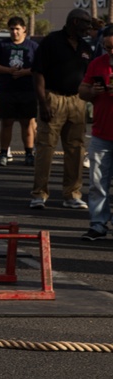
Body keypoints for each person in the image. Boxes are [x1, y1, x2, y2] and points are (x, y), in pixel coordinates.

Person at [29, 8, 94, 210]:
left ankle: (72, 195)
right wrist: (43, 102)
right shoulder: (51, 41)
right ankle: (39, 194)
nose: (88, 28)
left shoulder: (85, 47)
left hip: (77, 100)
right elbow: (37, 72)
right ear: (74, 22)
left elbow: (88, 76)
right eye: (86, 24)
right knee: (46, 147)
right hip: (53, 97)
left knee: (76, 148)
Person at [0, 17, 38, 166]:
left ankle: (29, 153)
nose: (14, 32)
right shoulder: (1, 45)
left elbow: (40, 67)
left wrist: (25, 72)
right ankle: (3, 153)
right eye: (11, 29)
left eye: (17, 28)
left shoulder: (33, 46)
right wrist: (8, 70)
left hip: (27, 90)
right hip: (6, 90)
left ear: (24, 29)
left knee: (27, 123)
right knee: (6, 122)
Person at [78, 25, 113, 240]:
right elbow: (82, 91)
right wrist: (92, 90)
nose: (111, 51)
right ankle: (98, 224)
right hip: (102, 133)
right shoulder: (96, 64)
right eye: (107, 47)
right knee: (97, 183)